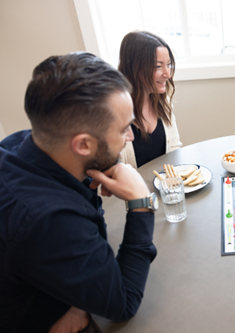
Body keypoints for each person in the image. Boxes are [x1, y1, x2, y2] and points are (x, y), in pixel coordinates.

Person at [0, 52, 159, 332]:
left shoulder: (26, 143)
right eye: (123, 130)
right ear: (83, 145)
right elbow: (122, 303)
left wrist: (79, 301)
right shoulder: (49, 219)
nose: (131, 137)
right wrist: (141, 204)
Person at [118, 31, 182, 169]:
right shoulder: (113, 114)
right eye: (158, 67)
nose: (168, 74)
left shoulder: (164, 103)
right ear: (134, 68)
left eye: (168, 65)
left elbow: (174, 150)